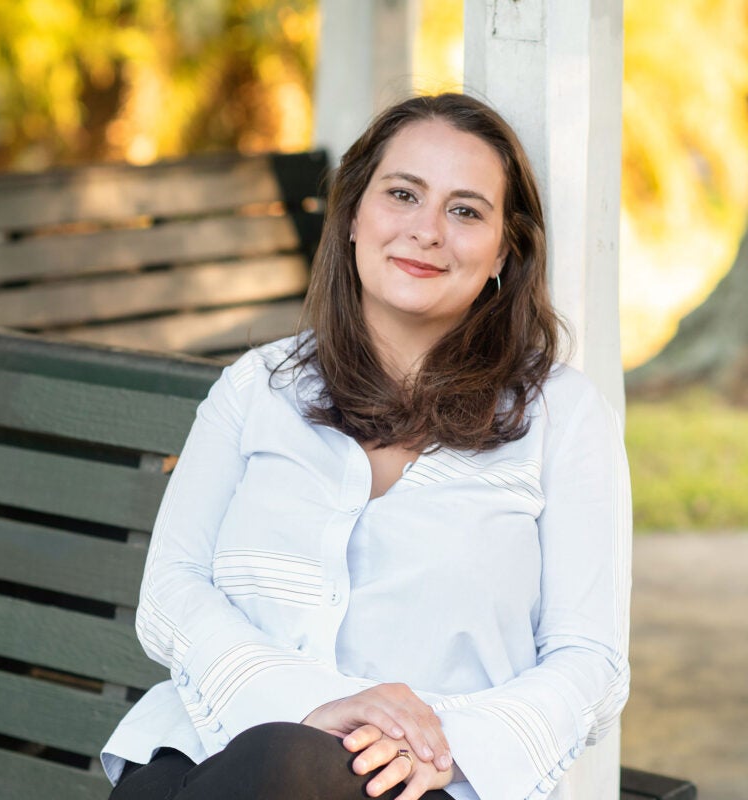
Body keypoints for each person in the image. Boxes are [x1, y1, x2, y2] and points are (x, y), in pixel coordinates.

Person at [101, 92, 631, 800]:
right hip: (214, 743)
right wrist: (306, 705)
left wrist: (439, 745)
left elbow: (590, 660)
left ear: (504, 250)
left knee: (282, 768)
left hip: (426, 781)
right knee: (244, 770)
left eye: (466, 210)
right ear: (352, 215)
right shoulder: (257, 388)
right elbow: (171, 590)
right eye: (403, 194)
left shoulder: (562, 416)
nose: (427, 230)